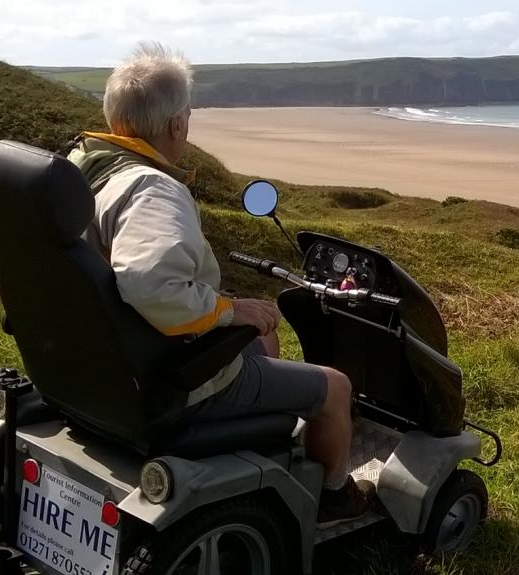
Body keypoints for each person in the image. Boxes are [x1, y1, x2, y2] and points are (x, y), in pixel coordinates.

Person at [65, 42, 372, 525]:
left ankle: (269, 429)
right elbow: (149, 284)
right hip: (175, 378)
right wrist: (226, 311)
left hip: (108, 358)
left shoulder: (84, 168)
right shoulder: (151, 189)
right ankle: (333, 499)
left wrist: (234, 310)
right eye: (187, 115)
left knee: (262, 324)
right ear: (175, 125)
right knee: (335, 387)